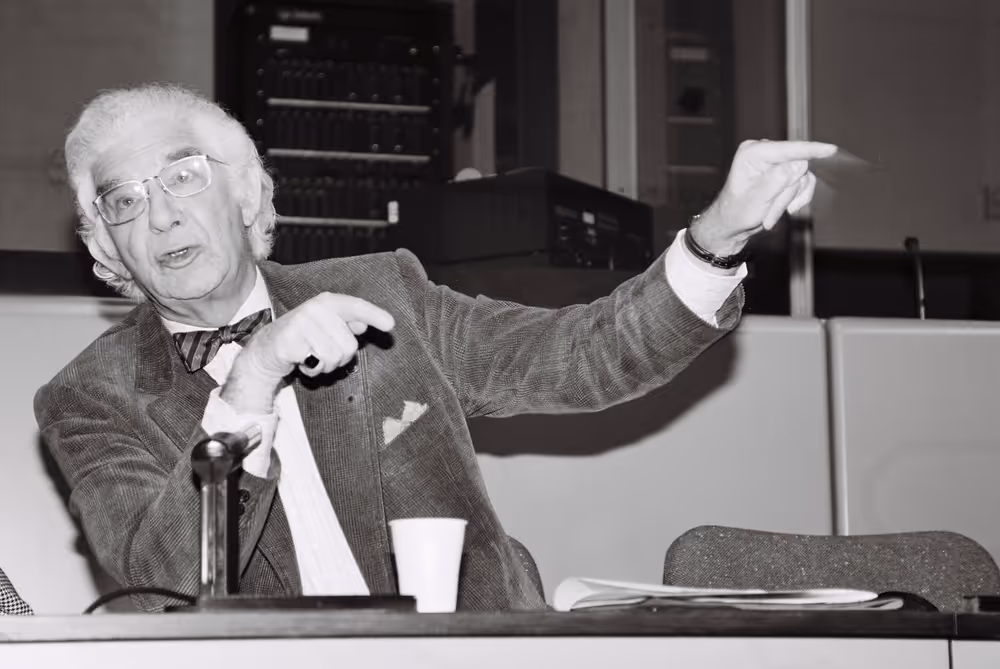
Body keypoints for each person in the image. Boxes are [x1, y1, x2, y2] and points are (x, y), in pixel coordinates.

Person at [35, 84, 834, 612]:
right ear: (107, 247)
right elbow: (169, 574)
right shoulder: (88, 397)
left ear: (246, 193)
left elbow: (583, 356)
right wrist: (251, 380)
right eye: (124, 202)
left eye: (181, 178)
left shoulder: (387, 293)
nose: (161, 218)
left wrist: (717, 240)